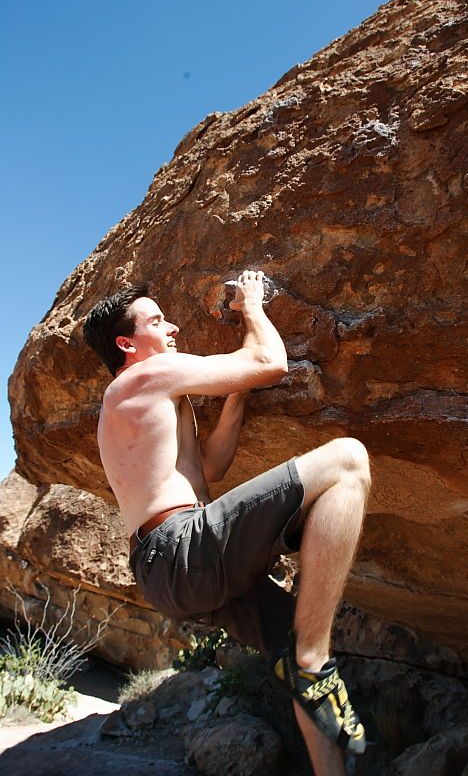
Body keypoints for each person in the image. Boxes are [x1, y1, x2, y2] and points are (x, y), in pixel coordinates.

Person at [83, 270, 371, 776]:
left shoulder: (145, 401)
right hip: (181, 548)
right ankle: (310, 658)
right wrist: (253, 305)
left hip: (172, 567)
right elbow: (270, 362)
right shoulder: (143, 378)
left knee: (302, 663)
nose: (171, 327)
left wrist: (237, 392)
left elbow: (209, 468)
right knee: (348, 460)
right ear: (127, 344)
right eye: (157, 321)